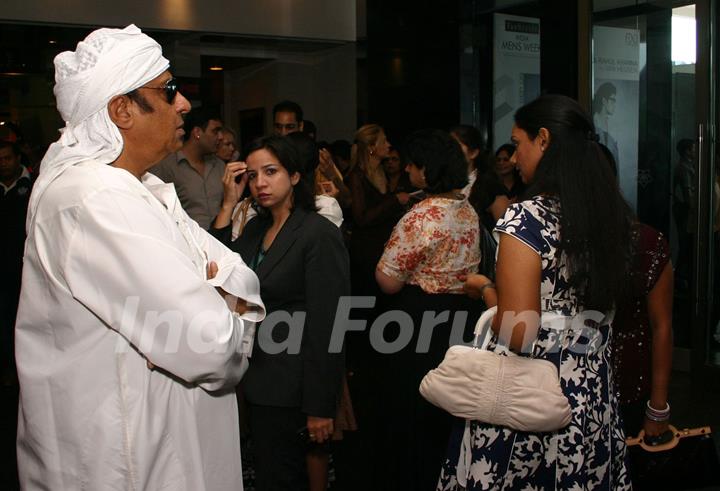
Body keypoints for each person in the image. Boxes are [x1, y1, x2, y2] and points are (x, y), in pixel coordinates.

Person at [15, 25, 265, 490]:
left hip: (164, 445)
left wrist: (217, 299)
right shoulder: (94, 198)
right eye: (168, 91)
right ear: (122, 109)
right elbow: (209, 342)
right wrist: (220, 302)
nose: (184, 103)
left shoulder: (139, 189)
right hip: (129, 464)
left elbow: (242, 279)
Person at [442, 94, 634, 490]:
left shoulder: (526, 217)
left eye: (518, 143)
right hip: (590, 394)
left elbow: (519, 332)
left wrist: (485, 291)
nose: (512, 157)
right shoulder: (609, 213)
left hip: (531, 399)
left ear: (543, 139)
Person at [210, 135, 350, 490]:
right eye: (253, 174)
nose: (260, 183)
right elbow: (219, 268)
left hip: (296, 387)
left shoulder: (317, 233)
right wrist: (228, 202)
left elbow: (329, 325)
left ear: (296, 176)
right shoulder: (257, 228)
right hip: (258, 379)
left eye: (271, 172)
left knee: (286, 480)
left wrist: (320, 406)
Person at [375, 129, 482, 491]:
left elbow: (387, 280)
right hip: (462, 316)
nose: (406, 169)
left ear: (427, 168)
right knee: (448, 407)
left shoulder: (421, 215)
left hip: (420, 318)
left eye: (412, 164)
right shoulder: (467, 208)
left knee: (413, 406)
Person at [151, 107, 226, 229]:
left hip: (220, 241)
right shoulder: (167, 166)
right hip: (187, 242)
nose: (221, 136)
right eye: (215, 131)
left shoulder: (219, 166)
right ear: (197, 132)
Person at [0, 141, 32, 386]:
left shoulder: (32, 185)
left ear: (17, 158)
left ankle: (25, 371)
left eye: (7, 158)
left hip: (26, 268)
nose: (3, 164)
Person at [450, 125, 510, 231]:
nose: (450, 152)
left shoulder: (490, 187)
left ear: (473, 153)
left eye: (456, 147)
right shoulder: (447, 183)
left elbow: (508, 230)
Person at [592, 82, 620, 168]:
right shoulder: (593, 122)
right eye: (613, 100)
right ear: (604, 101)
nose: (615, 104)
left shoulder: (606, 123)